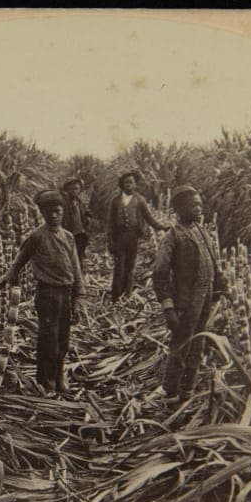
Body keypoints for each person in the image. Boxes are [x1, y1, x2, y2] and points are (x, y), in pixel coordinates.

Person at [0, 190, 84, 394]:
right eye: (48, 212)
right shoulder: (37, 236)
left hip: (66, 293)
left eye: (57, 211)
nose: (53, 215)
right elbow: (19, 260)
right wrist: (7, 277)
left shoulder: (69, 237)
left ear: (63, 212)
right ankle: (45, 380)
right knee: (48, 339)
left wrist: (79, 296)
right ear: (42, 213)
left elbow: (76, 268)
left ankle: (59, 376)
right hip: (47, 294)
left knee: (63, 340)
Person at [151, 185, 227, 402]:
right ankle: (170, 389)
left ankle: (188, 389)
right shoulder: (173, 236)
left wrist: (223, 287)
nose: (198, 209)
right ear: (179, 208)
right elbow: (160, 273)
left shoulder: (202, 231)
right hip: (187, 300)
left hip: (206, 294)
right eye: (193, 205)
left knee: (198, 342)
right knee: (181, 343)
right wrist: (168, 306)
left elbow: (214, 262)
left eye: (200, 205)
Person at [107, 170, 169, 301]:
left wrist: (160, 226)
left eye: (131, 182)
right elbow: (110, 223)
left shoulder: (140, 200)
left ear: (135, 184)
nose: (128, 185)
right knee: (119, 267)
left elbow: (149, 217)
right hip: (119, 237)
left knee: (130, 266)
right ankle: (116, 295)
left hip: (133, 237)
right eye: (126, 183)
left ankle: (127, 294)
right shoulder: (115, 201)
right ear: (122, 185)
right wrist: (110, 241)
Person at [61, 177, 93, 263]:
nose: (74, 191)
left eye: (76, 189)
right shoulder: (63, 203)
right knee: (68, 256)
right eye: (71, 189)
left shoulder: (80, 202)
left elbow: (87, 212)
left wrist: (87, 218)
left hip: (80, 234)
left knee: (79, 256)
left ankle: (79, 274)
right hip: (67, 233)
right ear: (67, 189)